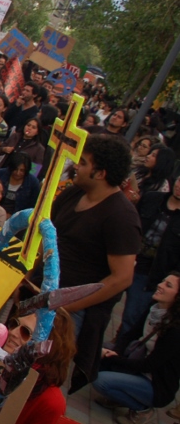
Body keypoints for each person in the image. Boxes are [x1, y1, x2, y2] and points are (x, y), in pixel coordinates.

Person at [52, 134, 142, 392]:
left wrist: (68, 305)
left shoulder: (121, 217)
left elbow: (122, 277)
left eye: (83, 162)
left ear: (100, 173)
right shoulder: (72, 194)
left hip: (72, 313)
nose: (76, 166)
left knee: (41, 373)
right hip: (41, 293)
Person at [94, 272, 180, 424]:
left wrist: (114, 358)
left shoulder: (175, 331)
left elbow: (149, 365)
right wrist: (116, 352)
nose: (160, 285)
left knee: (100, 381)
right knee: (96, 362)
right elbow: (130, 334)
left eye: (168, 285)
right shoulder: (154, 308)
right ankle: (122, 395)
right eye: (162, 281)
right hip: (138, 364)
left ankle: (142, 409)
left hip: (155, 384)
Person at [117, 177, 180, 342]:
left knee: (132, 317)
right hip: (126, 260)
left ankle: (117, 352)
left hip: (149, 275)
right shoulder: (153, 198)